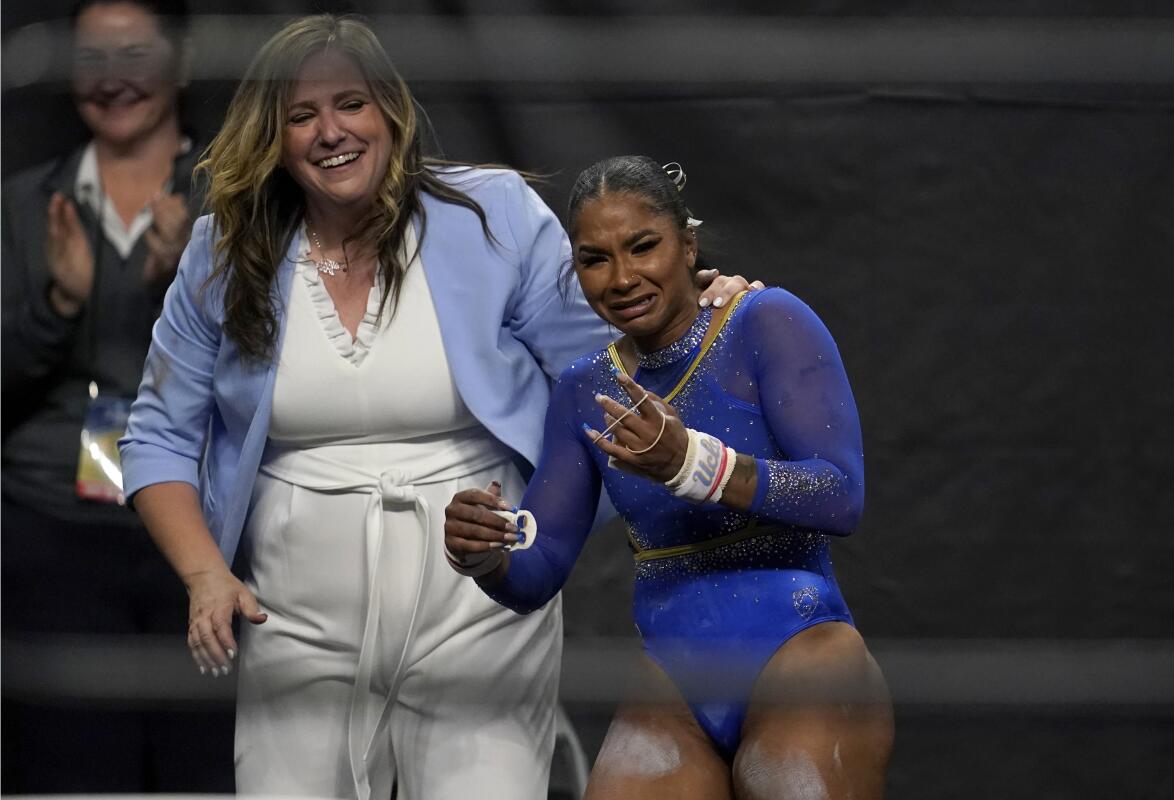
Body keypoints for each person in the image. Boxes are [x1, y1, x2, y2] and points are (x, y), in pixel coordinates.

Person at [117, 15, 752, 800]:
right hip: (292, 621)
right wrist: (205, 574)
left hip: (479, 609)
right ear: (272, 137)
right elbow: (157, 436)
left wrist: (701, 313)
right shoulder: (223, 250)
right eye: (301, 115)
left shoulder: (494, 215)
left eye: (349, 103)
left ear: (390, 109)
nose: (330, 132)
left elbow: (604, 362)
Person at [445, 155, 895, 799]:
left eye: (643, 246)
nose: (623, 277)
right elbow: (537, 569)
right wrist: (485, 552)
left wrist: (694, 465)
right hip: (674, 685)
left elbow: (840, 494)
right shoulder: (584, 390)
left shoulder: (765, 320)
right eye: (595, 259)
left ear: (687, 244)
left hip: (803, 653)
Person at [0, 0, 235, 792]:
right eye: (91, 58)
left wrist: (189, 280)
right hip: (51, 535)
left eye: (134, 54)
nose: (113, 81)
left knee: (198, 767)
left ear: (182, 60)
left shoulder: (234, 200)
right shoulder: (25, 206)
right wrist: (57, 305)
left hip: (202, 533)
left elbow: (277, 373)